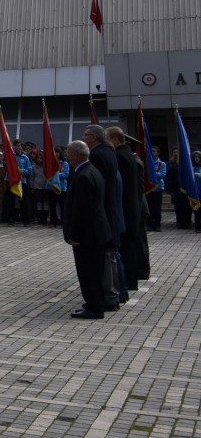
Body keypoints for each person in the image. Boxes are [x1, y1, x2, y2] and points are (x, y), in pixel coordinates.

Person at [63, 140, 113, 319]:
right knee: (94, 271)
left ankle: (94, 307)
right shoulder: (92, 170)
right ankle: (95, 302)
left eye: (68, 153)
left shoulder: (84, 176)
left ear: (75, 154)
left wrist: (74, 235)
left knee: (88, 273)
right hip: (96, 231)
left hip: (87, 235)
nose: (67, 156)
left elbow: (81, 210)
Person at [83, 125, 124, 313]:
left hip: (102, 212)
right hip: (110, 210)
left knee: (106, 258)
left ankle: (110, 296)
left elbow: (96, 186)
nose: (83, 138)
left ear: (93, 137)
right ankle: (115, 294)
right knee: (111, 256)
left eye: (85, 135)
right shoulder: (108, 152)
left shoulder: (97, 155)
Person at [108, 127, 150, 292]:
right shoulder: (131, 158)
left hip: (135, 207)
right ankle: (137, 273)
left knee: (136, 244)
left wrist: (137, 210)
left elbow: (137, 189)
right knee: (135, 244)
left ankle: (139, 273)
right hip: (134, 207)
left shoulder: (128, 160)